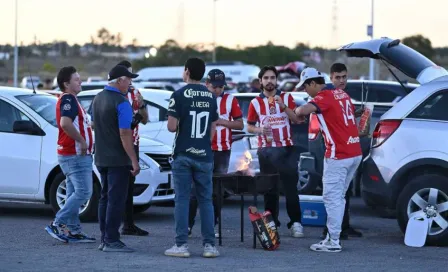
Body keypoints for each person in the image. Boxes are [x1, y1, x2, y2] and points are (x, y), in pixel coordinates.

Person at [294, 67, 362, 253]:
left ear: (313, 83)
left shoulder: (323, 97)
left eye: (305, 87)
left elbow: (303, 110)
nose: (305, 91)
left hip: (338, 154)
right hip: (354, 152)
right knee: (339, 198)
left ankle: (333, 241)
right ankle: (333, 236)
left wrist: (297, 108)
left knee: (332, 198)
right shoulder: (341, 93)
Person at [165, 57, 220, 258]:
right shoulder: (211, 96)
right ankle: (209, 246)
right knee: (206, 200)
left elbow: (171, 126)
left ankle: (181, 245)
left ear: (187, 71)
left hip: (183, 153)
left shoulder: (178, 94)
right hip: (204, 154)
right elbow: (213, 125)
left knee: (182, 199)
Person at [246, 65, 304, 238]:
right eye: (266, 78)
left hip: (286, 148)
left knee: (290, 189)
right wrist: (259, 130)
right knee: (270, 189)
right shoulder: (255, 102)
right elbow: (249, 125)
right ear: (261, 81)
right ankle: (272, 223)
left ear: (277, 80)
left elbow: (297, 119)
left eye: (272, 78)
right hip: (266, 151)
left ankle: (295, 222)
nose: (269, 81)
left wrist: (284, 107)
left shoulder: (287, 97)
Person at [188, 69, 244, 238]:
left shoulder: (230, 100)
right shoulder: (199, 98)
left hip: (222, 150)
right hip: (201, 150)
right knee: (195, 189)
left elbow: (240, 125)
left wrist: (222, 122)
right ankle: (188, 225)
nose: (218, 90)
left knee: (217, 191)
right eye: (215, 86)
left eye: (221, 86)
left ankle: (213, 224)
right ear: (207, 84)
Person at [92, 65, 141, 252]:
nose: (130, 83)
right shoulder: (122, 102)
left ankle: (104, 238)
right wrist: (134, 160)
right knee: (115, 200)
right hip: (118, 160)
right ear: (120, 80)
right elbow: (125, 134)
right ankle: (112, 240)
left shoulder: (97, 98)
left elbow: (96, 125)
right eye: (128, 79)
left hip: (102, 157)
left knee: (104, 198)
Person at [45, 66, 95, 243]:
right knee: (84, 192)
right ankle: (58, 223)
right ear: (66, 84)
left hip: (73, 155)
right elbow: (65, 123)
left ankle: (74, 231)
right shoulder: (68, 99)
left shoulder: (72, 99)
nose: (80, 81)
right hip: (75, 155)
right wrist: (82, 140)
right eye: (76, 79)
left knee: (74, 192)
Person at [319, 63, 363, 239]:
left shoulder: (344, 95)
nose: (341, 80)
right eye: (338, 77)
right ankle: (330, 231)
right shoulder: (327, 95)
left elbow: (347, 117)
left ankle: (343, 227)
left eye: (344, 77)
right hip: (333, 148)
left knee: (343, 192)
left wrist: (361, 113)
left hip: (348, 149)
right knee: (333, 194)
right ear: (331, 78)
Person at [115, 60, 149, 236]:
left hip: (133, 143)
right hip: (118, 144)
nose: (131, 80)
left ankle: (128, 223)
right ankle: (115, 226)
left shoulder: (135, 93)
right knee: (116, 184)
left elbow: (145, 119)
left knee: (129, 184)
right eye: (128, 76)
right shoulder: (112, 95)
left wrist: (142, 106)